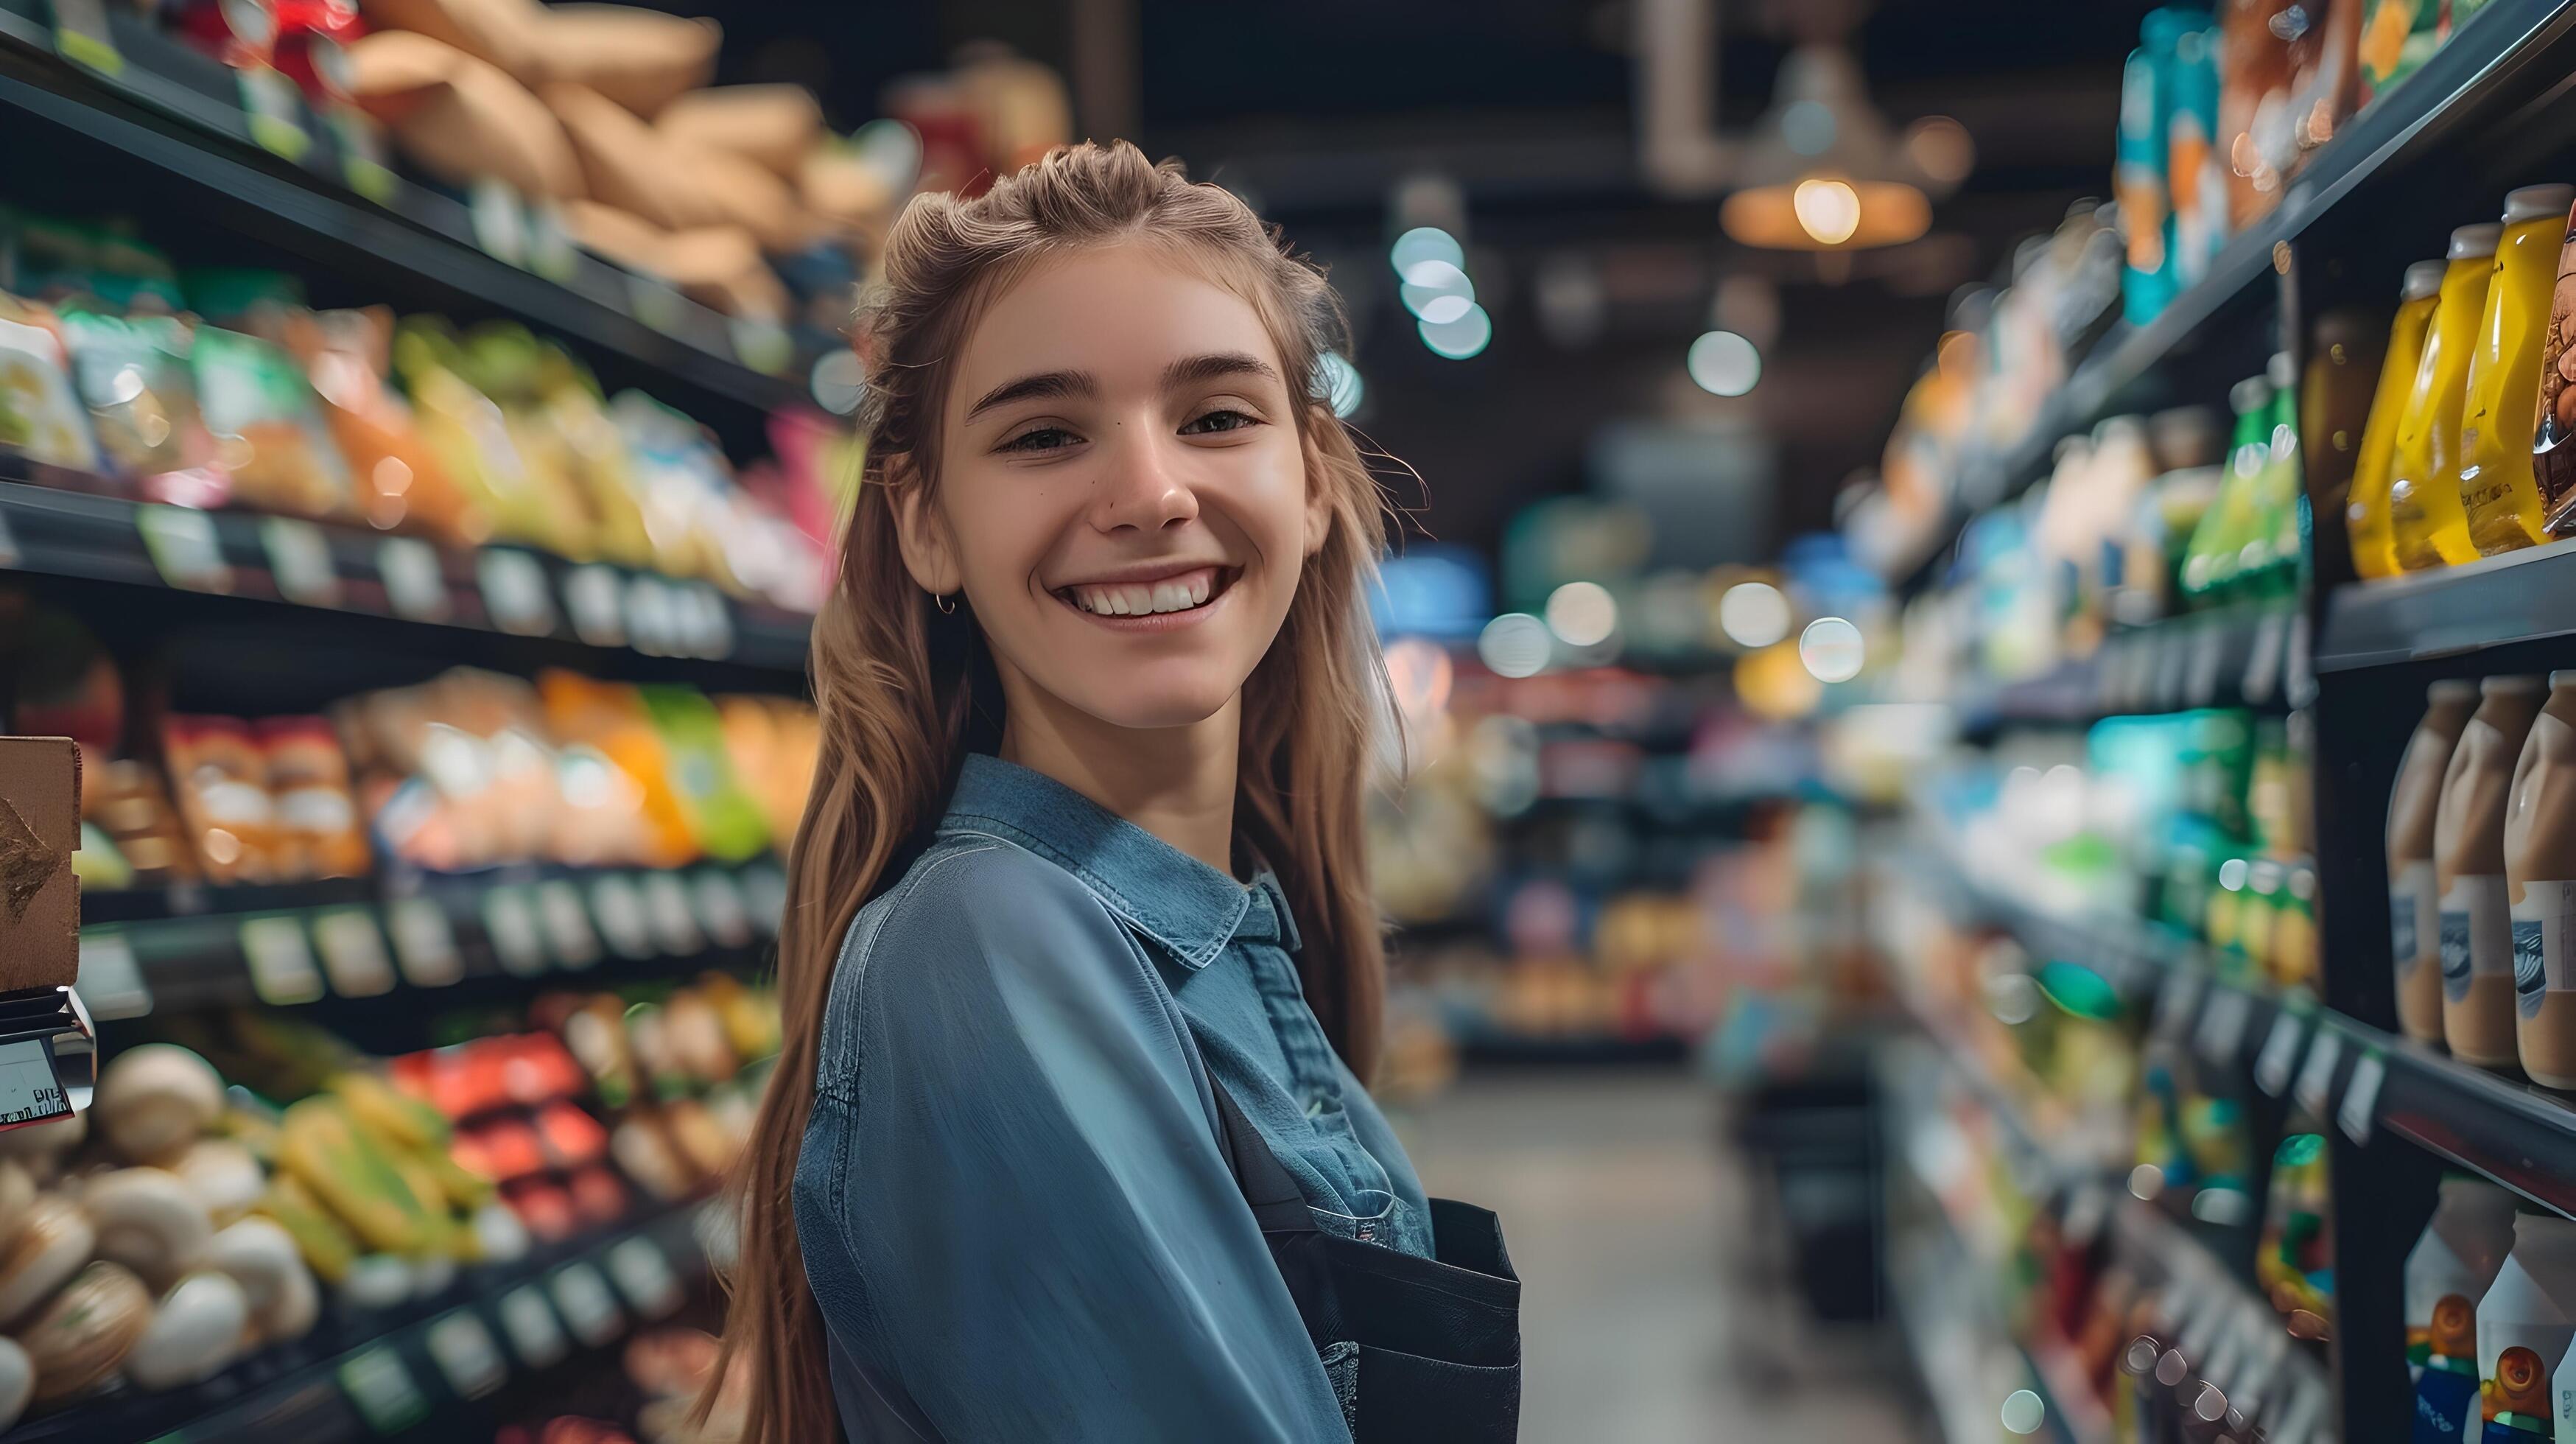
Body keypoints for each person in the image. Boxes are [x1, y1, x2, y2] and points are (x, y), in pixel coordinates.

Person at [704, 141, 1518, 1444]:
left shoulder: (1195, 931)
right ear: (925, 526)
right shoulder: (990, 948)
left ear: (1310, 479)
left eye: (1215, 417)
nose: (1149, 493)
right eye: (1043, 434)